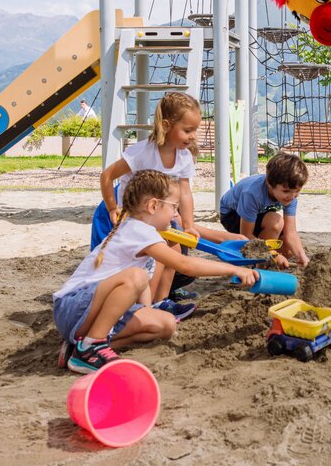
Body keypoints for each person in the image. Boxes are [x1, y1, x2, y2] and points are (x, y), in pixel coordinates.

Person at [55, 170, 258, 374]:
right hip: (73, 306)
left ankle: (79, 347)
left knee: (165, 325)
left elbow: (142, 293)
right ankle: (92, 345)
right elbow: (184, 264)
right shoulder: (138, 230)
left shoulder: (144, 232)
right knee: (136, 276)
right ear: (153, 206)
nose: (175, 215)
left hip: (86, 314)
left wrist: (146, 311)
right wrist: (233, 269)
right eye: (174, 208)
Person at [91, 92, 216, 310]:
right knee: (150, 259)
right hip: (131, 215)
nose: (193, 136)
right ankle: (143, 306)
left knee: (174, 252)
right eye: (187, 130)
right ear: (166, 125)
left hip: (155, 216)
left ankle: (161, 302)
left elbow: (185, 193)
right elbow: (107, 176)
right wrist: (113, 208)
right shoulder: (142, 153)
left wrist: (188, 225)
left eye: (194, 130)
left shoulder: (184, 157)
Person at [218, 152, 311, 267]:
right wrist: (272, 254)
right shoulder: (252, 193)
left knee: (288, 250)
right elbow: (246, 234)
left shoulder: (291, 196)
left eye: (297, 191)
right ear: (270, 184)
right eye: (286, 191)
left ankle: (265, 261)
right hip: (232, 215)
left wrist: (302, 256)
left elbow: (290, 232)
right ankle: (259, 264)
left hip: (259, 213)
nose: (292, 196)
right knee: (275, 222)